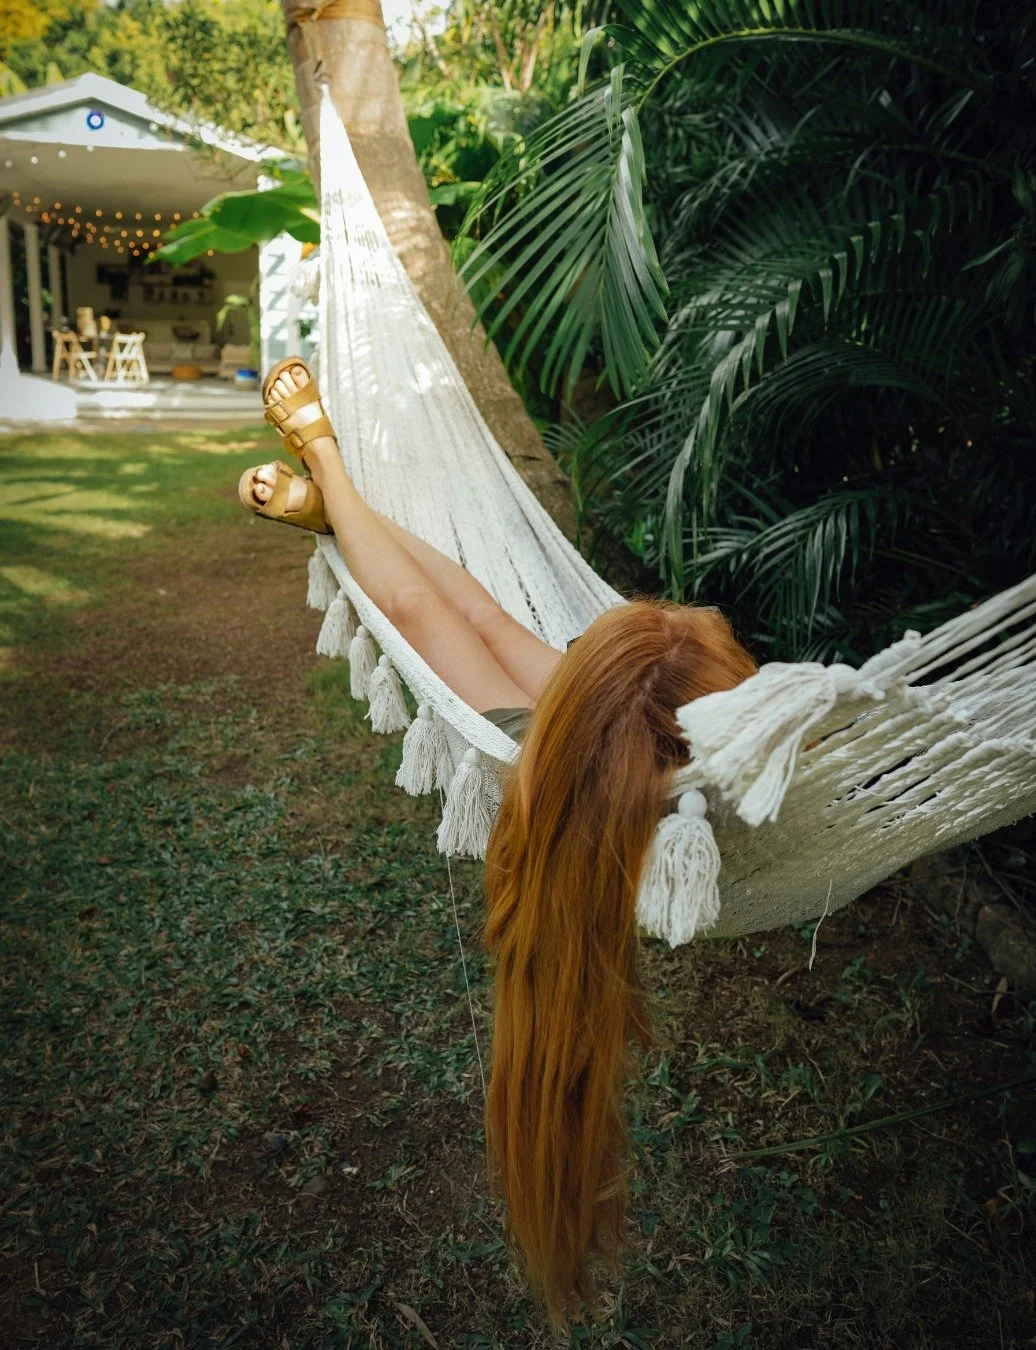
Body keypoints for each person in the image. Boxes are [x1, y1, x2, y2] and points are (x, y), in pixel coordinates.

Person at [240, 359, 757, 1324]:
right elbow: (468, 608)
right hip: (613, 722)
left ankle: (330, 480)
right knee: (472, 605)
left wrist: (321, 445)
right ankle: (334, 510)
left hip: (570, 752)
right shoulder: (699, 735)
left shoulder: (544, 759)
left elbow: (411, 612)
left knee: (438, 615)